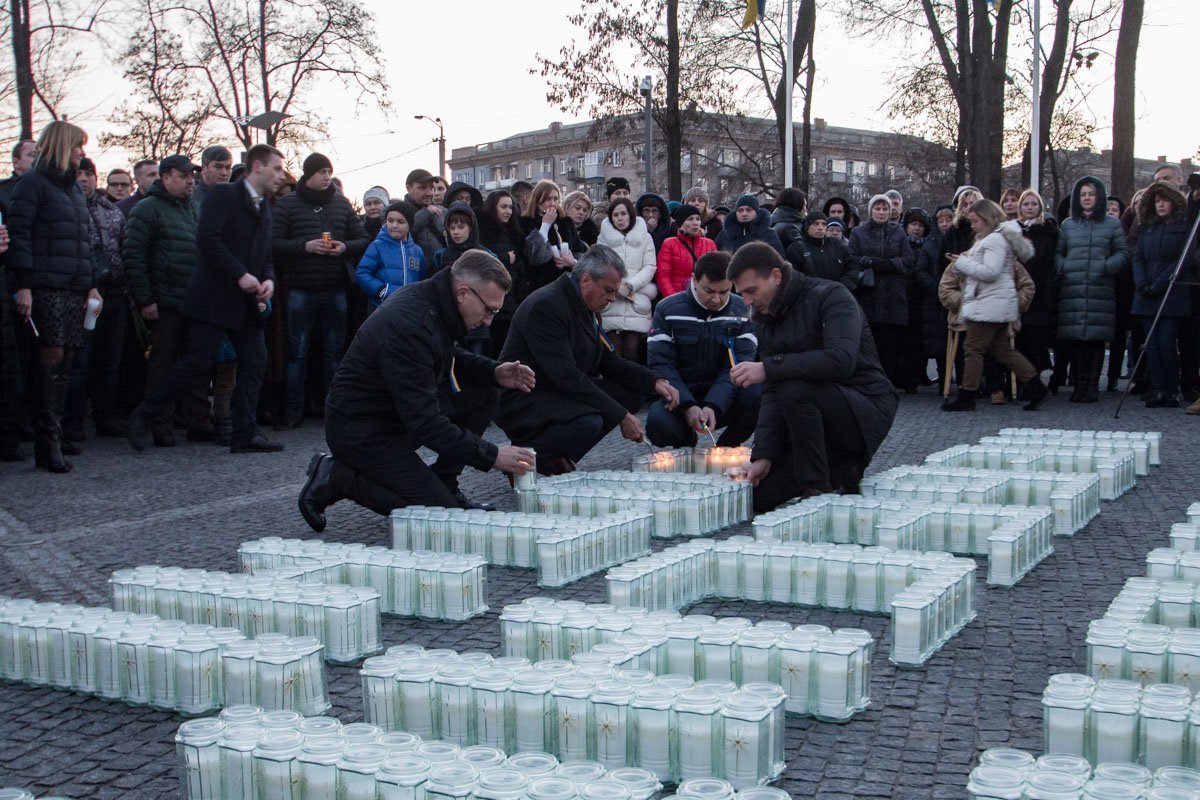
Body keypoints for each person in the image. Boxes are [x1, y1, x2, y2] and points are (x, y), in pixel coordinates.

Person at [298, 251, 536, 530]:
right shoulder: (412, 325)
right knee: (441, 516)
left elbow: (446, 354)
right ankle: (337, 477)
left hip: (392, 416)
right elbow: (425, 423)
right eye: (489, 310)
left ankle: (445, 484)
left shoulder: (435, 300)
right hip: (361, 432)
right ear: (463, 293)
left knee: (485, 392)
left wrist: (493, 372)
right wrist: (492, 455)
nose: (488, 321)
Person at [128, 144, 288, 454]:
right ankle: (144, 415)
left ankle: (244, 433)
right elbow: (208, 240)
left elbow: (265, 254)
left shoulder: (265, 207)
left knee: (255, 360)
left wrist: (268, 279)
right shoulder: (224, 195)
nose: (281, 175)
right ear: (257, 167)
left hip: (245, 302)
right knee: (196, 363)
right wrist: (240, 274)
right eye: (277, 169)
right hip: (212, 298)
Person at [727, 242, 898, 512]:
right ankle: (835, 469)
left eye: (751, 291)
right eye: (741, 294)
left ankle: (817, 487)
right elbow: (772, 392)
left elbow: (841, 359)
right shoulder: (765, 316)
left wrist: (768, 367)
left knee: (793, 389)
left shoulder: (833, 296)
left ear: (775, 276)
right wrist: (764, 455)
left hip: (863, 405)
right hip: (807, 415)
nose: (746, 302)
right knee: (760, 497)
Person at [495, 245, 680, 475]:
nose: (612, 298)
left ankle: (557, 456)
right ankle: (523, 458)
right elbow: (566, 376)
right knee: (588, 422)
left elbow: (609, 361)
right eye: (608, 290)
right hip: (526, 397)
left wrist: (654, 381)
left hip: (555, 389)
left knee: (631, 394)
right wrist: (620, 416)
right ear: (585, 280)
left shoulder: (586, 306)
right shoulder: (547, 306)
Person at [7, 120, 101, 472]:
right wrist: (24, 285)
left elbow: (83, 240)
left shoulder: (73, 189)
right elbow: (20, 235)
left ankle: (53, 436)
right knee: (51, 357)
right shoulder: (32, 184)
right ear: (63, 146)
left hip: (73, 286)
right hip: (44, 285)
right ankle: (46, 439)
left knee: (67, 361)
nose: (81, 152)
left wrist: (90, 283)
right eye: (77, 146)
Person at [272, 152, 368, 429]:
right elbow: (274, 243)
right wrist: (305, 246)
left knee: (334, 353)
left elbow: (362, 239)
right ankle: (293, 411)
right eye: (321, 172)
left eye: (329, 172)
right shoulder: (289, 203)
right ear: (309, 174)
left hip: (335, 289)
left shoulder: (340, 203)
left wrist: (344, 247)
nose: (327, 177)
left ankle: (333, 409)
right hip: (300, 289)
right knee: (297, 354)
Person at [123, 154, 211, 446]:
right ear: (166, 177)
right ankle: (159, 424)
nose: (190, 181)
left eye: (192, 176)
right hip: (165, 300)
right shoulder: (147, 209)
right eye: (183, 176)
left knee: (197, 364)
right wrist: (146, 299)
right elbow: (133, 256)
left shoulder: (194, 208)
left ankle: (198, 421)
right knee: (163, 363)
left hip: (194, 300)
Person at [940, 199, 1048, 412]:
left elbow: (990, 272)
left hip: (989, 304)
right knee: (1003, 351)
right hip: (995, 303)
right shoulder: (996, 238)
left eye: (975, 221)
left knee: (973, 349)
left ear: (987, 219)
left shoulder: (993, 240)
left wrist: (961, 263)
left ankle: (967, 395)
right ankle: (1036, 386)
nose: (972, 226)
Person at [646, 251, 759, 448]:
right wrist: (687, 405)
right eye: (709, 291)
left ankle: (725, 448)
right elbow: (661, 364)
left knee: (758, 394)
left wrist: (714, 405)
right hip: (680, 394)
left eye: (724, 292)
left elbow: (737, 366)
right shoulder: (667, 309)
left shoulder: (743, 311)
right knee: (658, 424)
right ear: (694, 280)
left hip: (725, 395)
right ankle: (686, 443)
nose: (716, 299)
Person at [65, 157, 128, 440]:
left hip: (114, 294)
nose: (83, 179)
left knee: (110, 362)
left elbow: (125, 248)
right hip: (81, 295)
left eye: (88, 174)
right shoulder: (65, 207)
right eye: (78, 173)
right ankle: (73, 423)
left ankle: (106, 417)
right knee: (80, 363)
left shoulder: (112, 211)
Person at [1055, 175, 1129, 403]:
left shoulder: (1112, 224)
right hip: (1073, 289)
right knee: (1076, 339)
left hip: (1100, 289)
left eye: (1091, 194)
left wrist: (1106, 267)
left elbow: (1122, 253)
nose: (1087, 198)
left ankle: (1092, 386)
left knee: (1096, 340)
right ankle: (1079, 385)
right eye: (1083, 194)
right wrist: (1065, 267)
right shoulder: (1067, 225)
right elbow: (1058, 253)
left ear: (1099, 197)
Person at [1131, 181, 1191, 408]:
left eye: (1164, 200)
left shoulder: (1183, 228)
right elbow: (1138, 258)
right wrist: (1142, 284)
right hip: (1147, 294)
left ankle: (1171, 389)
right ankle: (1157, 388)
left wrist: (1159, 284)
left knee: (1166, 342)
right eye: (1156, 201)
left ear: (1173, 202)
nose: (1160, 205)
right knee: (1152, 344)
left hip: (1171, 294)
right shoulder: (1147, 229)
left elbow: (1181, 261)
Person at [847, 193, 915, 390]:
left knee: (891, 344)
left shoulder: (898, 233)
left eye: (885, 208)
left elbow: (909, 260)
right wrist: (868, 262)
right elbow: (851, 258)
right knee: (869, 343)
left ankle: (888, 383)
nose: (881, 212)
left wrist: (889, 264)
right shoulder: (858, 232)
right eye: (877, 208)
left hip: (893, 297)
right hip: (867, 294)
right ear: (871, 211)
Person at [598, 197, 658, 362]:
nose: (620, 218)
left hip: (636, 298)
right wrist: (615, 286)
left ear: (631, 215)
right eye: (615, 215)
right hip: (612, 299)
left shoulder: (645, 238)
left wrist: (630, 285)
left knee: (633, 350)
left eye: (623, 214)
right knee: (613, 351)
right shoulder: (603, 239)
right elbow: (600, 264)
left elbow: (650, 267)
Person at [1014, 190, 1058, 379]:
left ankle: (1034, 377)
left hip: (1039, 291)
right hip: (1017, 289)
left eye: (1034, 204)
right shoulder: (1013, 230)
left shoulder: (1048, 231)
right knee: (1019, 339)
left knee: (1035, 337)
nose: (1030, 208)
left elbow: (1045, 261)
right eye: (1026, 204)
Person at [355, 200, 424, 309]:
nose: (394, 225)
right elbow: (362, 273)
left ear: (410, 224)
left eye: (400, 222)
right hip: (381, 307)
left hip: (408, 307)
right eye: (390, 221)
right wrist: (382, 290)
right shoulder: (377, 246)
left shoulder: (417, 251)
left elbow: (421, 280)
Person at [519, 179, 582, 294]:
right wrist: (545, 225)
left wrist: (572, 261)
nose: (553, 203)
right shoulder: (526, 223)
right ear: (537, 201)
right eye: (548, 199)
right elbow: (535, 257)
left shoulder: (565, 222)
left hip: (567, 282)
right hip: (542, 284)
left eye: (555, 199)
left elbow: (579, 250)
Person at [785, 211, 858, 291]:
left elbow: (853, 267)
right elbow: (793, 278)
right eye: (815, 224)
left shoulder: (836, 244)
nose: (820, 228)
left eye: (823, 224)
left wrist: (843, 286)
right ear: (807, 227)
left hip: (838, 294)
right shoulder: (796, 249)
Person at [656, 204, 717, 297]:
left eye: (698, 219)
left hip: (704, 297)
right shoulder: (669, 244)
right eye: (690, 219)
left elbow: (716, 273)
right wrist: (674, 298)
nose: (695, 223)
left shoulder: (710, 244)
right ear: (681, 223)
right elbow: (663, 275)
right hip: (678, 295)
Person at [715, 195, 785, 257]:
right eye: (740, 210)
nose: (744, 214)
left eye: (749, 210)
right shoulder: (725, 234)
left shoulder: (768, 234)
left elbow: (779, 260)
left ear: (757, 212)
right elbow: (716, 259)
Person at [191, 145, 233, 217]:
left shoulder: (239, 198)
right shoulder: (190, 199)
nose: (224, 173)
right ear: (203, 168)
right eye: (218, 167)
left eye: (228, 167)